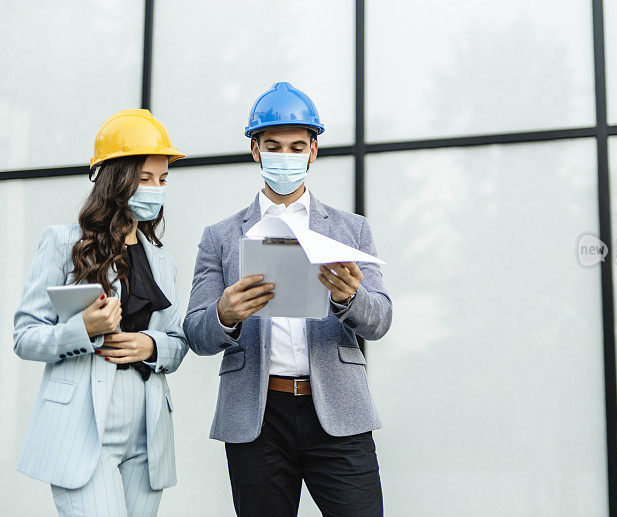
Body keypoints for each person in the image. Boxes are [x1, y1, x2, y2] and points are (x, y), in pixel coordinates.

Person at [183, 82, 392, 516]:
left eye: (298, 146)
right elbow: (196, 333)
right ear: (255, 149)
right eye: (274, 146)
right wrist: (223, 314)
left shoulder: (351, 229)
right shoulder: (221, 237)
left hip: (337, 411)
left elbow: (380, 320)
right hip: (257, 418)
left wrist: (349, 298)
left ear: (313, 151)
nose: (286, 156)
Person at [13, 109, 189, 517]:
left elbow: (178, 344)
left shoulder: (162, 261)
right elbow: (25, 337)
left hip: (148, 434)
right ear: (116, 180)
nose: (156, 189)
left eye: (163, 180)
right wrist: (83, 330)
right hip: (84, 431)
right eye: (144, 178)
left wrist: (151, 344)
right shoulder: (63, 243)